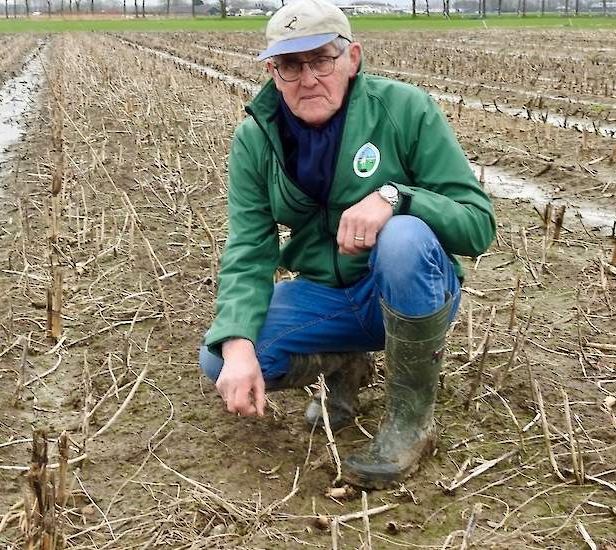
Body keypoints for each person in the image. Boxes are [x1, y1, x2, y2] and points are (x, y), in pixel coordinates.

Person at [197, 0, 496, 489]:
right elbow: (249, 249)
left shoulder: (404, 109)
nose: (308, 77)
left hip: (407, 292)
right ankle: (345, 361)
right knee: (219, 358)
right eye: (291, 65)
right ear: (273, 71)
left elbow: (478, 226)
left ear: (352, 58)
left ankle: (410, 422)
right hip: (328, 299)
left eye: (322, 59)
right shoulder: (256, 138)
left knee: (403, 236)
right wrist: (236, 344)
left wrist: (397, 197)